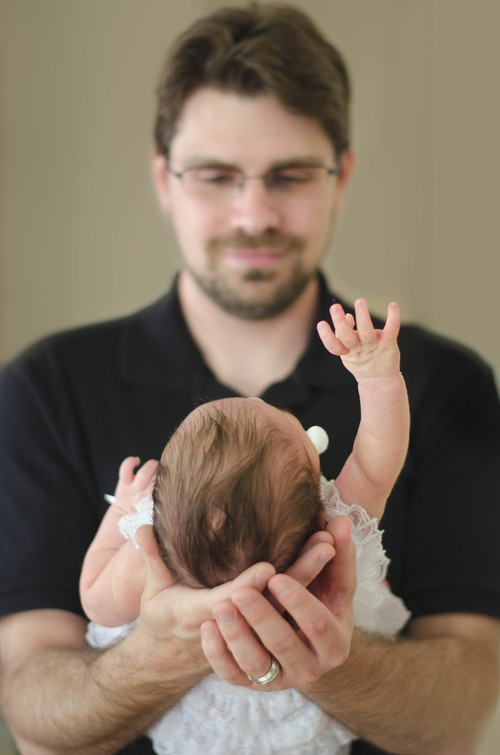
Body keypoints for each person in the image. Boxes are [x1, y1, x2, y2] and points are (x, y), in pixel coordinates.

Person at [0, 4, 499, 755]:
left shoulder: (441, 382)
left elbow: (459, 715)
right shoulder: (47, 387)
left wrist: (331, 659)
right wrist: (162, 647)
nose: (254, 213)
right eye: (216, 175)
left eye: (291, 174)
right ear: (163, 177)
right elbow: (34, 715)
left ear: (343, 174)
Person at [79, 298, 411, 755]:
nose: (259, 397)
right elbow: (378, 455)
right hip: (303, 717)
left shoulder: (148, 542)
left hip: (196, 722)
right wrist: (378, 378)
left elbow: (96, 600)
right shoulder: (334, 522)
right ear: (315, 490)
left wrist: (120, 513)